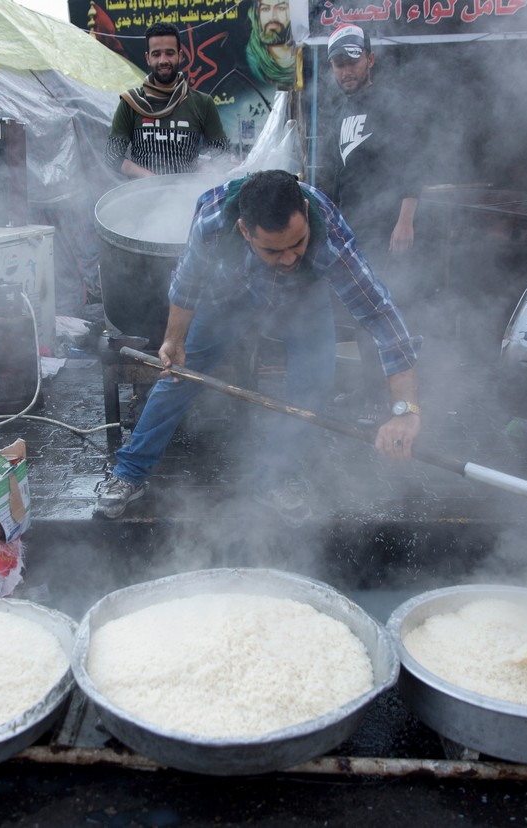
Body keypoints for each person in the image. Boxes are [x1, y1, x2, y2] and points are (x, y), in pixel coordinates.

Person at [94, 169, 422, 527]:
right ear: (245, 231)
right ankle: (130, 472)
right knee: (179, 376)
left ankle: (276, 478)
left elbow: (380, 315)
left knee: (313, 382)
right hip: (229, 293)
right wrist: (174, 340)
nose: (289, 258)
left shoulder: (329, 239)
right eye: (274, 249)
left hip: (302, 299)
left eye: (298, 243)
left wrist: (405, 409)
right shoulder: (213, 220)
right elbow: (188, 282)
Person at [319, 24, 424, 414]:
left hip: (387, 229)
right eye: (338, 64)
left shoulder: (391, 103)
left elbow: (416, 162)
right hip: (352, 230)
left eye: (352, 61)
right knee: (361, 316)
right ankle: (369, 394)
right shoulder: (339, 112)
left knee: (386, 312)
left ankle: (396, 398)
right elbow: (335, 176)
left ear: (370, 59)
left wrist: (405, 220)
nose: (346, 70)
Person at [106, 22, 229, 178]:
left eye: (169, 53)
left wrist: (207, 170)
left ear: (180, 55)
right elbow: (112, 155)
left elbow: (222, 155)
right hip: (142, 196)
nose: (163, 60)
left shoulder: (202, 103)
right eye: (156, 54)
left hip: (186, 197)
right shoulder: (130, 102)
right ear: (148, 58)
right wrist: (148, 177)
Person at [245, 0, 295, 88]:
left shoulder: (305, 54)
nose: (272, 17)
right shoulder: (252, 59)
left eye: (281, 8)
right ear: (257, 14)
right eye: (265, 9)